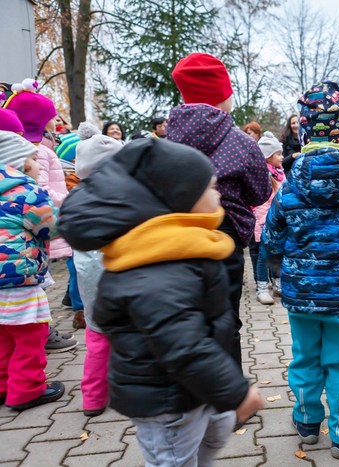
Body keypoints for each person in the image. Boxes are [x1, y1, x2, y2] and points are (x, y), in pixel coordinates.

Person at [59, 138, 265, 465]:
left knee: (216, 428)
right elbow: (183, 344)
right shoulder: (159, 269)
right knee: (172, 458)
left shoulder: (182, 249)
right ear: (179, 200)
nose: (218, 195)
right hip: (167, 399)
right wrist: (236, 392)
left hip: (192, 385)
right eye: (210, 188)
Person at [263, 81, 339, 459]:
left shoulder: (288, 188)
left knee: (304, 358)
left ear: (304, 132)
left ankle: (306, 423)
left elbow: (271, 238)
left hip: (300, 294)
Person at [168, 53, 272, 365]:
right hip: (223, 235)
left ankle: (192, 383)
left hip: (175, 232)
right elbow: (260, 192)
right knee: (225, 318)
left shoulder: (167, 139)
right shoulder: (241, 142)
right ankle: (227, 388)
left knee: (186, 317)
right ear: (223, 95)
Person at [4, 79, 81, 344]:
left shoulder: (37, 151)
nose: (55, 120)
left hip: (27, 239)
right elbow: (42, 191)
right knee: (38, 284)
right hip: (34, 235)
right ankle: (42, 334)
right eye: (50, 116)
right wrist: (68, 201)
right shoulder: (35, 156)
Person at [0, 130, 65, 411]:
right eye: (35, 159)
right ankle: (26, 390)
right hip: (20, 279)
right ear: (22, 164)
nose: (39, 165)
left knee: (2, 338)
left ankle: (3, 387)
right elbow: (50, 228)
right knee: (30, 336)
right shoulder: (28, 192)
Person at [71, 122, 124, 417]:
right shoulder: (120, 196)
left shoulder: (77, 196)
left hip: (88, 278)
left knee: (97, 338)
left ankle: (92, 398)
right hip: (117, 273)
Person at [253, 131, 285, 305]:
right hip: (263, 220)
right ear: (268, 156)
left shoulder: (279, 173)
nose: (282, 157)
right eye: (278, 154)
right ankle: (262, 287)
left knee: (277, 253)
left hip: (276, 220)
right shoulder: (262, 175)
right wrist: (263, 222)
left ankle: (277, 283)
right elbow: (261, 203)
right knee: (263, 255)